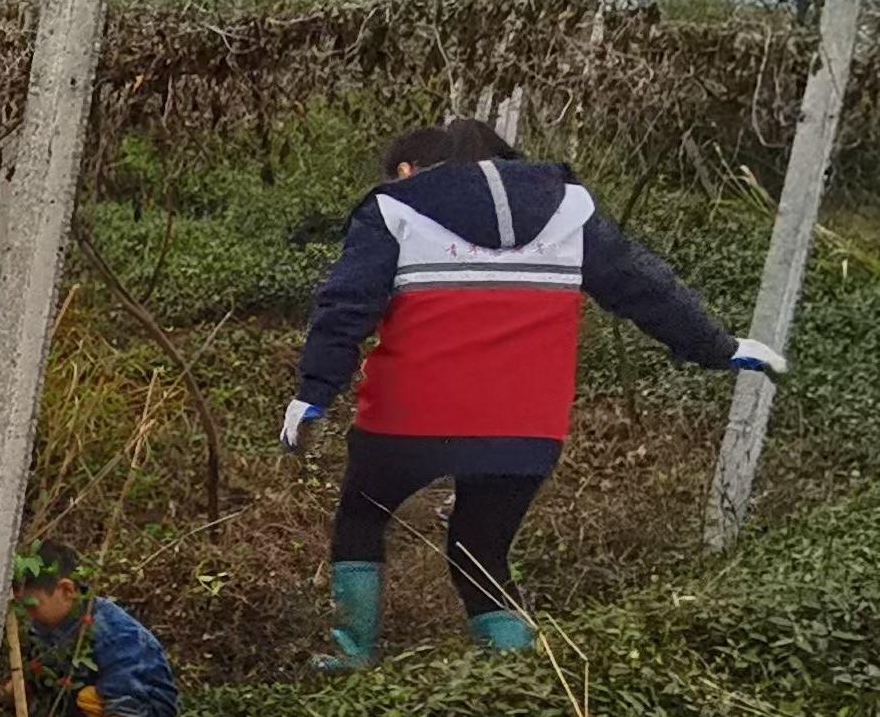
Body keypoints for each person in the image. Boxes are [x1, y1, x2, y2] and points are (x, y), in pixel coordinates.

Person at [282, 119, 787, 668]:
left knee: (362, 516)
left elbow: (346, 305)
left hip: (410, 418)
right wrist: (717, 346)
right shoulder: (571, 210)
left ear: (410, 170)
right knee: (481, 547)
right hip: (526, 425)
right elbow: (645, 288)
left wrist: (315, 390)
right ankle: (517, 674)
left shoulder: (394, 209)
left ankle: (352, 656)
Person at [13, 540, 179, 717]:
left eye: (33, 606)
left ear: (66, 590)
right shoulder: (47, 624)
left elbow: (127, 711)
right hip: (85, 697)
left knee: (89, 699)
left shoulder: (115, 633)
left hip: (139, 715)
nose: (28, 615)